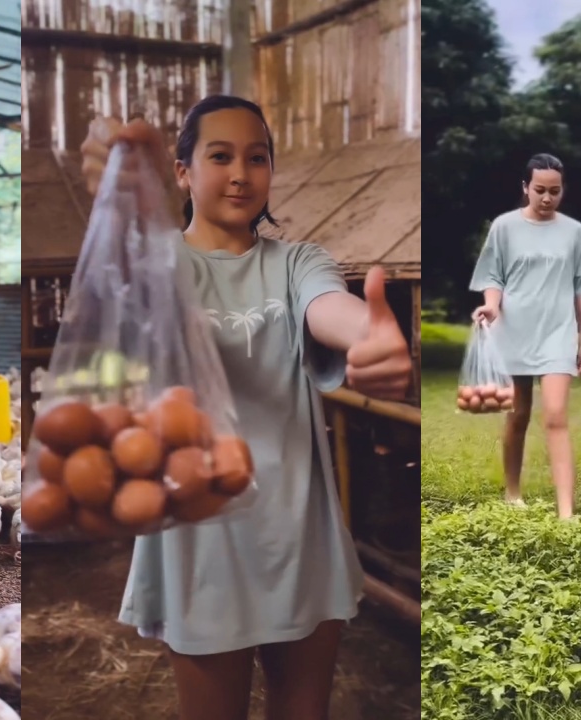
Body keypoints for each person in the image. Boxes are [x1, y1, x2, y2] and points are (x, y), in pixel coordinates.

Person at [78, 97, 413, 720]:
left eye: (257, 158)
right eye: (220, 156)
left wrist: (371, 334)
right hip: (199, 538)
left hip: (297, 535)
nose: (241, 174)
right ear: (182, 173)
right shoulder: (160, 260)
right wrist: (129, 214)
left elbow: (330, 309)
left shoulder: (296, 262)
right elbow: (140, 297)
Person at [469, 153, 581, 519]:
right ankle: (512, 492)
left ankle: (566, 512)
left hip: (557, 332)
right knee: (518, 413)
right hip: (514, 329)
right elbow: (493, 277)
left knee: (555, 415)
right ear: (525, 187)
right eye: (539, 190)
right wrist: (492, 306)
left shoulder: (575, 232)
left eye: (554, 191)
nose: (546, 198)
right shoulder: (504, 227)